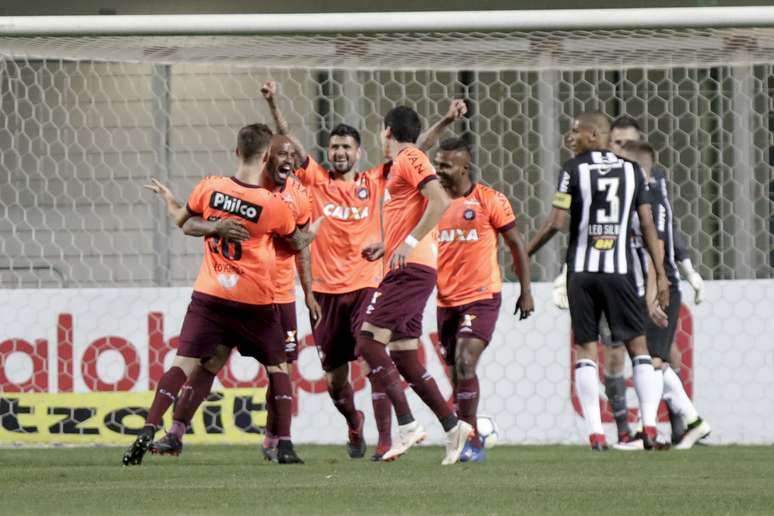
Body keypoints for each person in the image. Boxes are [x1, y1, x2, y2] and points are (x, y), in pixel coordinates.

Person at [263, 81, 467, 460]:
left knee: (373, 347)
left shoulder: (376, 179)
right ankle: (357, 422)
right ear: (328, 152)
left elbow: (415, 148)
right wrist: (274, 102)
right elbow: (288, 140)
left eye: (346, 147)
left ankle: (392, 436)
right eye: (335, 147)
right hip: (326, 293)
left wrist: (444, 121)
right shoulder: (316, 180)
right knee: (337, 380)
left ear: (360, 151)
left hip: (368, 283)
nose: (340, 152)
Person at [123, 124, 319, 466]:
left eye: (292, 154)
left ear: (236, 152)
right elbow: (298, 243)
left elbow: (185, 223)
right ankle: (281, 442)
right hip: (259, 299)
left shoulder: (211, 187)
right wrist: (317, 227)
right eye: (281, 153)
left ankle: (151, 425)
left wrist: (176, 203)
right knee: (278, 367)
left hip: (215, 295)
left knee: (185, 363)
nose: (287, 159)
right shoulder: (273, 205)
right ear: (267, 157)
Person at [527, 111, 669, 451]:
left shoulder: (572, 170)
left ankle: (595, 433)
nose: (570, 137)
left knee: (586, 350)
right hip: (620, 272)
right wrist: (660, 272)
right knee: (639, 348)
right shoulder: (632, 170)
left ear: (593, 135)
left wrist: (523, 252)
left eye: (575, 132)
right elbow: (647, 224)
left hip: (583, 271)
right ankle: (649, 426)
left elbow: (556, 222)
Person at [356, 105, 472, 465]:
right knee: (404, 355)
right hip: (407, 265)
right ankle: (453, 427)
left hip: (412, 268)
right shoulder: (407, 160)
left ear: (386, 131)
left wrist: (406, 245)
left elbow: (440, 201)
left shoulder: (409, 158)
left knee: (368, 341)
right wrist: (387, 245)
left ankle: (406, 425)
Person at [431, 137, 534, 462]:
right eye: (436, 163)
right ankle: (465, 430)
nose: (438, 170)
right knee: (455, 370)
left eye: (445, 165)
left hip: (482, 296)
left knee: (465, 361)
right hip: (445, 299)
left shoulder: (490, 200)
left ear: (464, 167)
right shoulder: (432, 202)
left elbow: (516, 244)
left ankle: (470, 440)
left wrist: (526, 290)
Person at [617, 140, 711, 450]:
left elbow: (656, 245)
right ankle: (695, 422)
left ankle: (649, 433)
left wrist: (657, 290)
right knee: (652, 359)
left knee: (653, 359)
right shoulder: (639, 198)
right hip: (647, 283)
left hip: (661, 283)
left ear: (639, 171)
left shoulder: (652, 201)